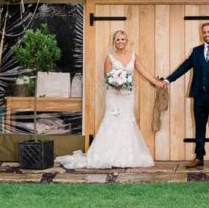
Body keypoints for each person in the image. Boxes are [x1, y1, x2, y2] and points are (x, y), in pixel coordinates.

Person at [55, 30, 165, 170]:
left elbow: (143, 71)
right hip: (113, 96)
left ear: (127, 41)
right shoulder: (109, 58)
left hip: (127, 96)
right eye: (118, 39)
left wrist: (158, 83)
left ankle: (126, 156)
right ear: (114, 42)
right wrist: (116, 84)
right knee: (112, 121)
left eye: (123, 39)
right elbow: (107, 77)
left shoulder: (133, 57)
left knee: (127, 121)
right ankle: (106, 156)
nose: (120, 42)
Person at [162, 21, 209, 169]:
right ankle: (199, 157)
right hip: (199, 96)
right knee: (199, 127)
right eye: (204, 32)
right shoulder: (197, 51)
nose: (206, 34)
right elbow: (184, 67)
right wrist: (169, 79)